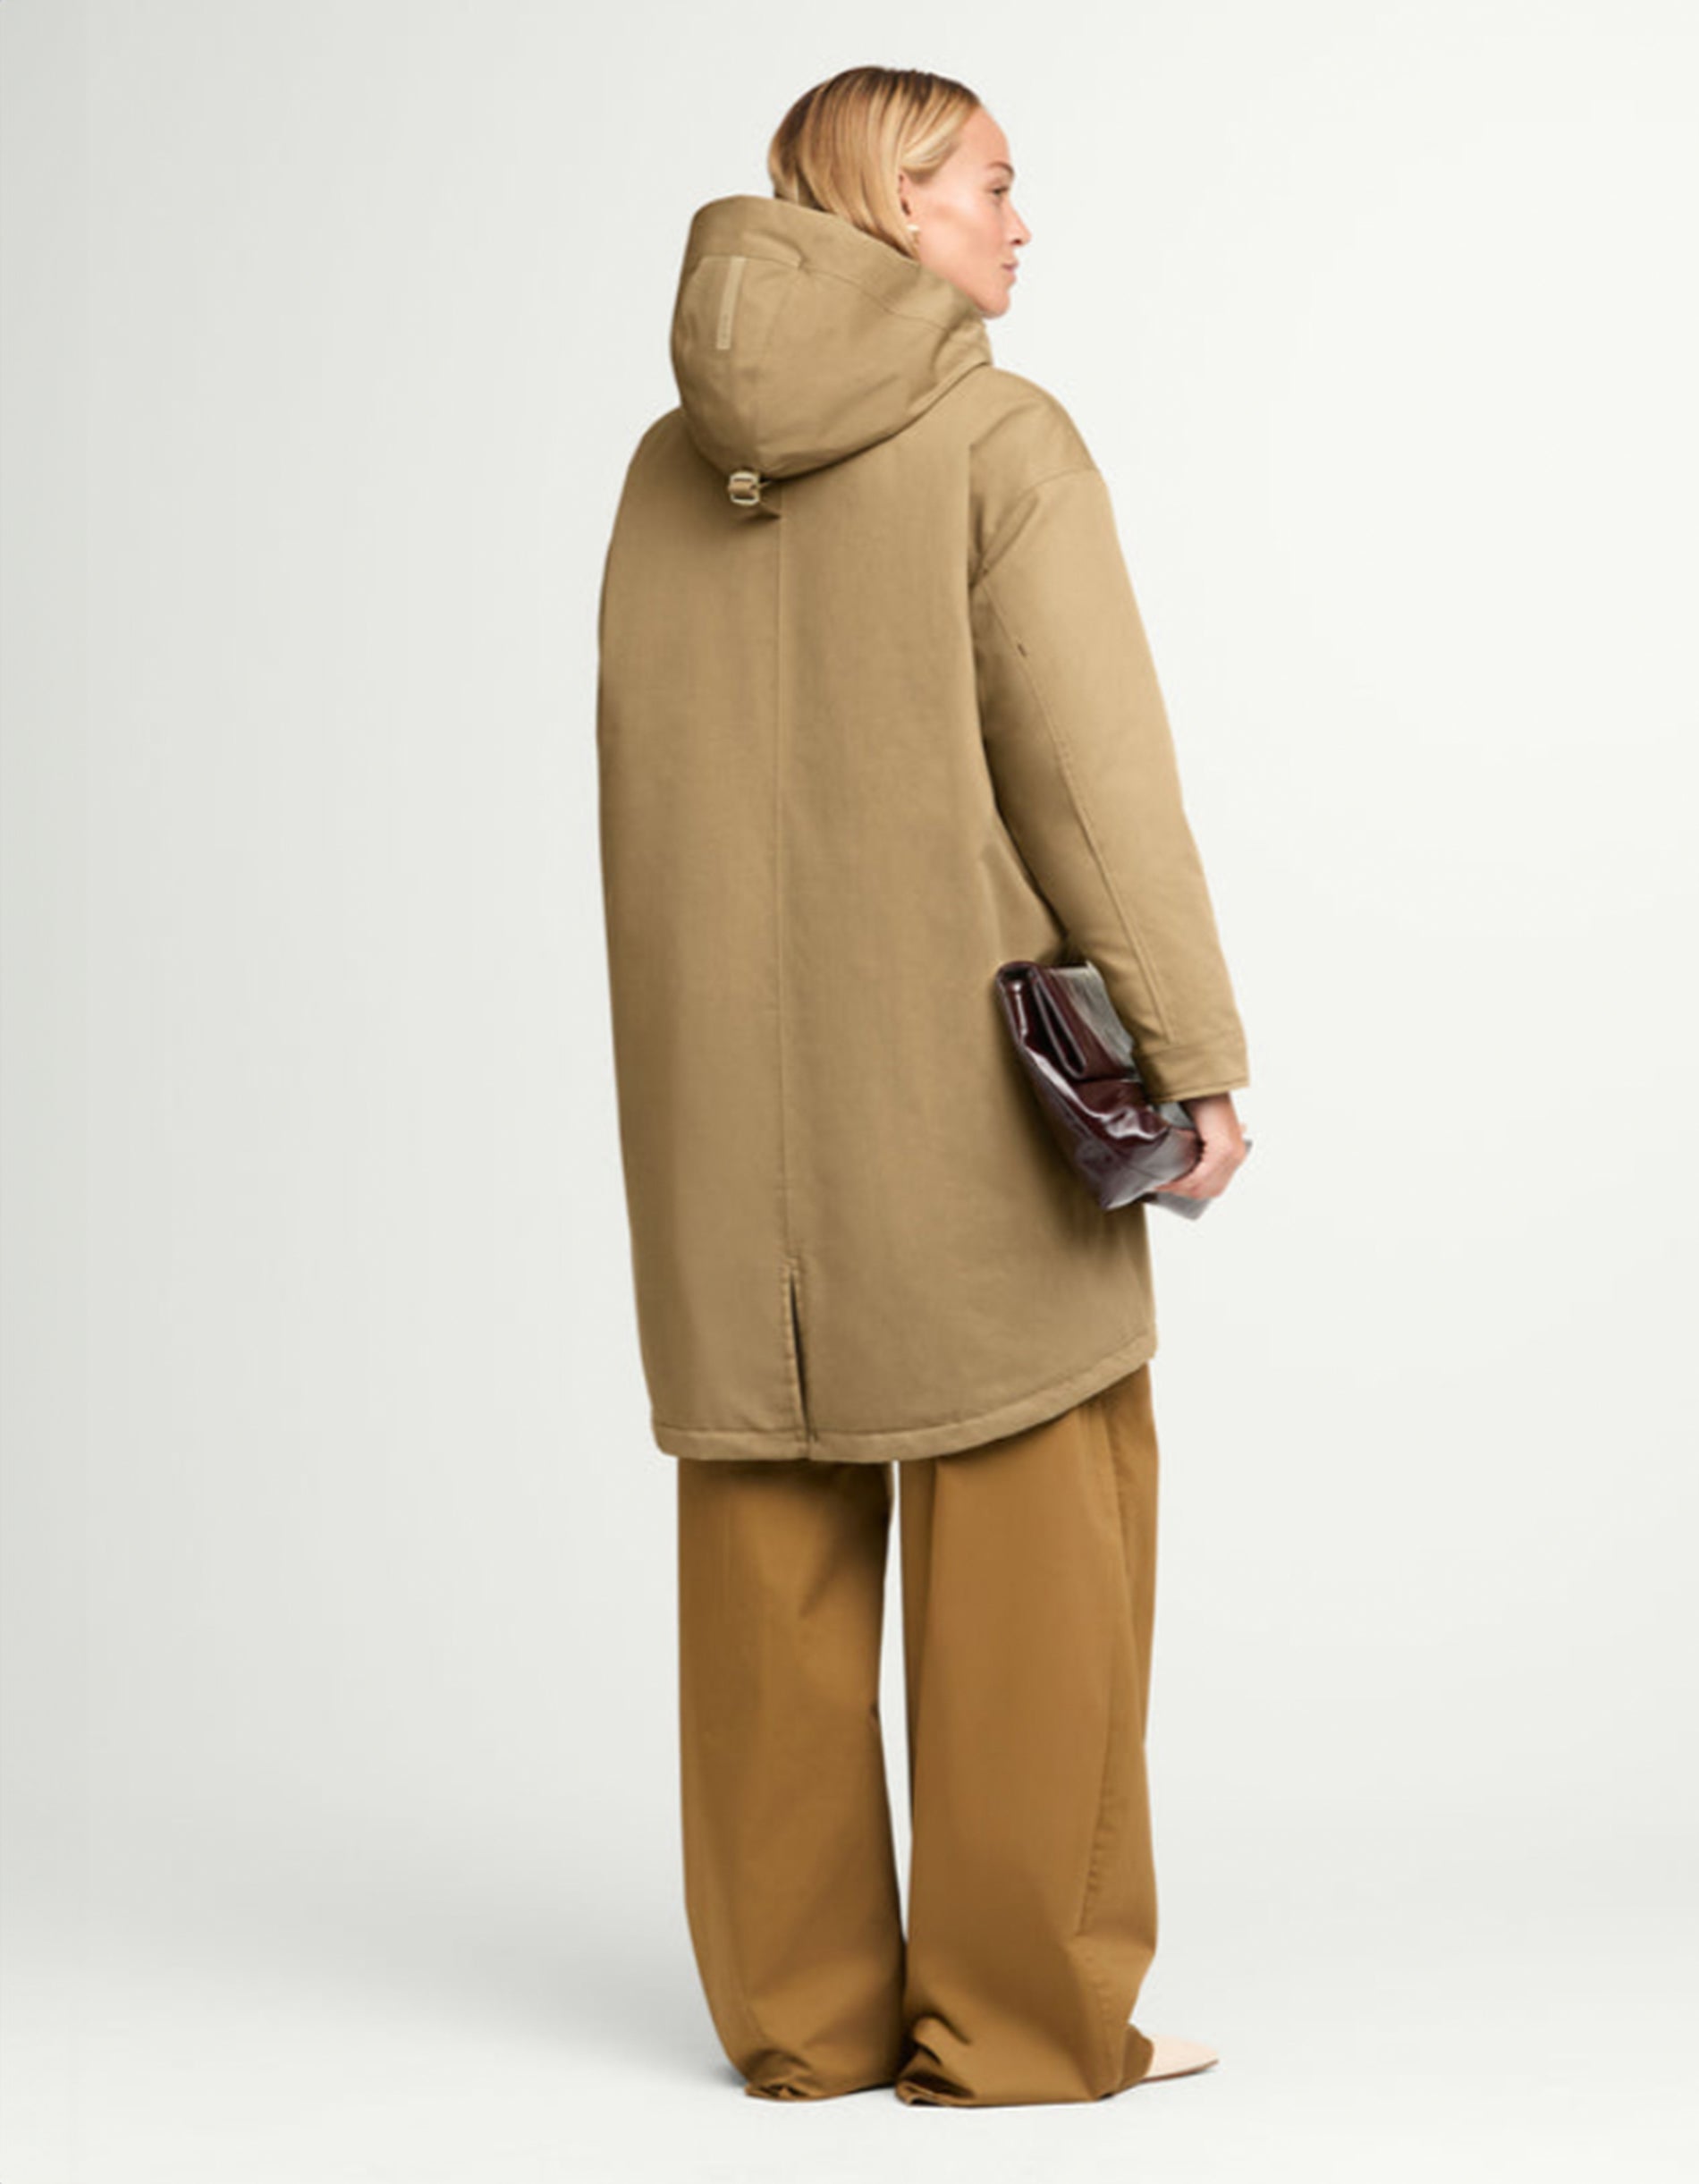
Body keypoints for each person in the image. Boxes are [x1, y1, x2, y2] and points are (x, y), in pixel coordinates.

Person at [595, 65, 1252, 2107]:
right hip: (961, 1105)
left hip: (721, 1120)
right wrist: (1195, 1056)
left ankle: (802, 2024)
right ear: (892, 200)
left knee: (766, 1539)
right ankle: (1023, 2026)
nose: (1018, 224)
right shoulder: (993, 437)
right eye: (988, 183)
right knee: (1039, 1537)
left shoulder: (665, 466)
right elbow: (1091, 779)